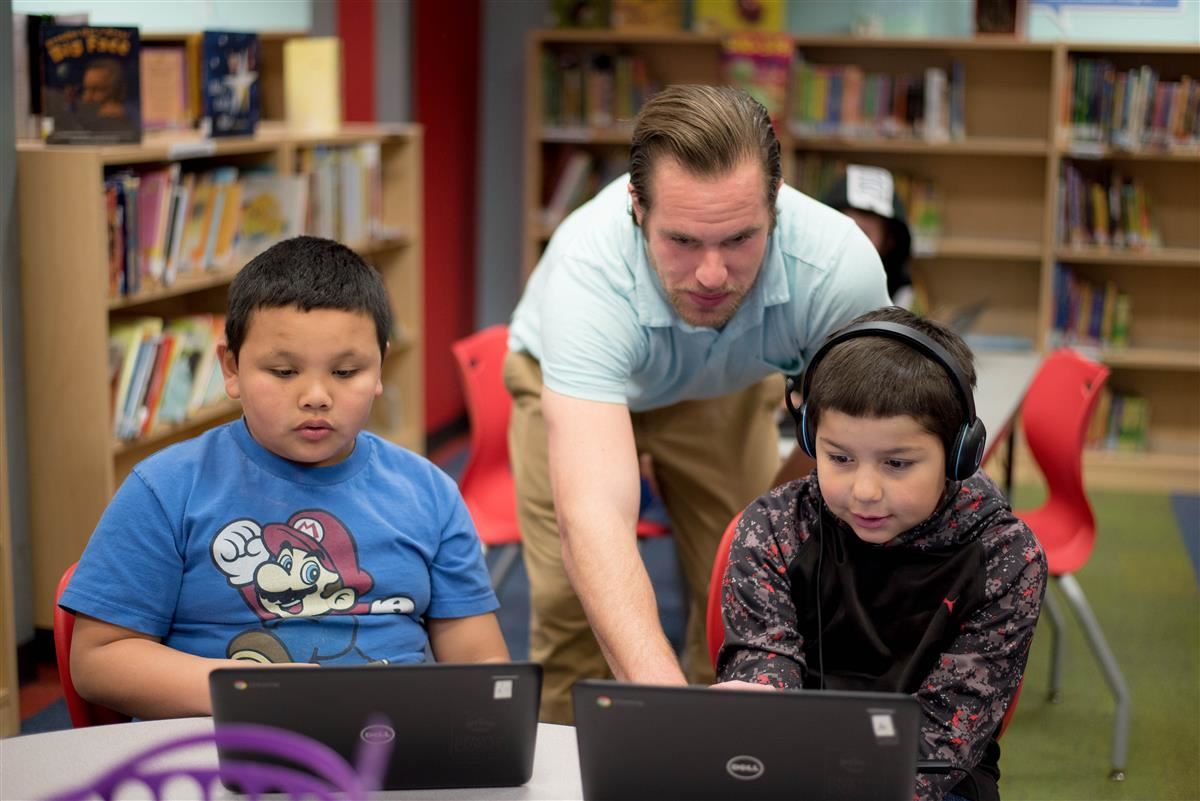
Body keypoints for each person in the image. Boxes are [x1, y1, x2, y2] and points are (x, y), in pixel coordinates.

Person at [506, 84, 890, 723]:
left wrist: (777, 522)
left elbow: (851, 442)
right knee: (572, 609)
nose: (712, 275)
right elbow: (594, 519)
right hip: (575, 383)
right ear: (636, 208)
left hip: (716, 390)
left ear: (776, 207)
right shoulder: (585, 271)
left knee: (742, 590)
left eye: (740, 239)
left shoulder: (837, 267)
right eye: (682, 242)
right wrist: (670, 722)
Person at [61, 236, 509, 719]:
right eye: (283, 371)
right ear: (231, 369)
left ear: (380, 366)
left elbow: (479, 658)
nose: (316, 395)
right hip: (227, 747)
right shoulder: (167, 488)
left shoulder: (430, 493)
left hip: (389, 746)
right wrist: (257, 689)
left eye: (345, 371)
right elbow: (97, 659)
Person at [716, 306, 1047, 801]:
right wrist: (754, 708)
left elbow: (947, 731)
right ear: (810, 439)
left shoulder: (1005, 558)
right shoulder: (776, 527)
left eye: (897, 463)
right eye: (840, 458)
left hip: (928, 775)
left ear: (959, 453)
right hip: (790, 762)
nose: (865, 490)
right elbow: (767, 668)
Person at [823, 164, 915, 309]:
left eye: (863, 234)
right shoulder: (808, 278)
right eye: (842, 230)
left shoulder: (898, 293)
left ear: (889, 243)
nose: (850, 243)